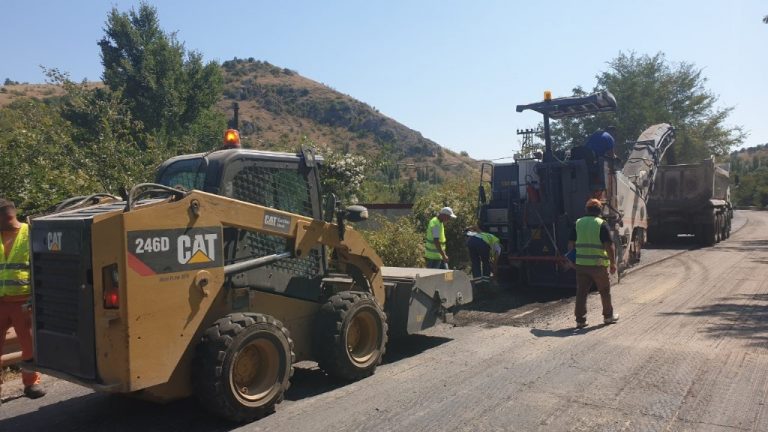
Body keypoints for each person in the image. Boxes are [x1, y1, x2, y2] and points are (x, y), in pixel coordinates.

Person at [0, 199, 45, 399]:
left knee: (28, 344)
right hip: (0, 302)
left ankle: (31, 383)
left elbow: (41, 266)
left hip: (23, 301)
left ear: (7, 217)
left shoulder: (31, 233)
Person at [567, 198, 619, 329]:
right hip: (598, 265)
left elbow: (570, 244)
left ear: (586, 210)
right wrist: (613, 263)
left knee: (581, 292)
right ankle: (608, 317)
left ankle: (580, 320)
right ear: (600, 210)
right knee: (604, 291)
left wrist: (572, 260)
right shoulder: (602, 224)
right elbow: (609, 246)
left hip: (581, 266)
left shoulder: (578, 223)